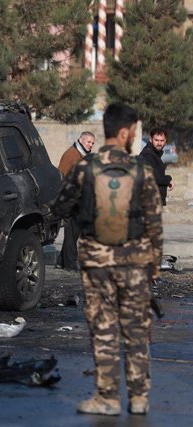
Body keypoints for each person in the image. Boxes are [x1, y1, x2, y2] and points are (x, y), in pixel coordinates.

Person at [52, 103, 162, 416]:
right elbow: (154, 221)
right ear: (125, 132)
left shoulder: (87, 167)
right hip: (135, 262)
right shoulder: (142, 169)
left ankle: (108, 398)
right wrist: (153, 263)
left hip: (97, 262)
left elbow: (59, 206)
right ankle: (139, 398)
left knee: (103, 328)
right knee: (136, 329)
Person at [56, 131, 96, 271]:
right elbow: (61, 176)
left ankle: (61, 260)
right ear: (80, 140)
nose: (90, 145)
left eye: (92, 143)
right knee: (72, 232)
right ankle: (70, 263)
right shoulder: (71, 155)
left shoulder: (82, 155)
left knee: (74, 233)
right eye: (88, 142)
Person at [139, 127, 175, 206]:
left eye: (162, 140)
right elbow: (155, 178)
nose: (159, 143)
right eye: (156, 140)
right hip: (150, 202)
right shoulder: (148, 155)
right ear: (151, 140)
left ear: (165, 141)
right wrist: (169, 179)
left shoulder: (154, 153)